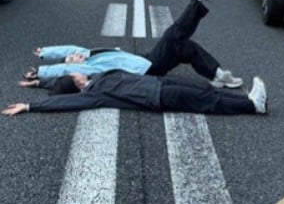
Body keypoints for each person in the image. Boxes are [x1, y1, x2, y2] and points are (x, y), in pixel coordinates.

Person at [23, 0, 242, 90]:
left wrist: (45, 51)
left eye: (76, 55)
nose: (77, 56)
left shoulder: (89, 54)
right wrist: (41, 72)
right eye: (75, 60)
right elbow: (63, 69)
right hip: (146, 71)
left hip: (144, 60)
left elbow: (70, 49)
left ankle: (218, 75)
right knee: (172, 35)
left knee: (184, 46)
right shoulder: (90, 67)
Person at [3, 70, 267, 116]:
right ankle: (252, 106)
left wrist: (37, 83)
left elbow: (56, 87)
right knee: (207, 102)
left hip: (157, 84)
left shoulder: (95, 82)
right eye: (76, 75)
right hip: (157, 98)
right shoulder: (94, 94)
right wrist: (30, 107)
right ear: (77, 82)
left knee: (203, 91)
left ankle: (245, 99)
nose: (80, 73)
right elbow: (64, 103)